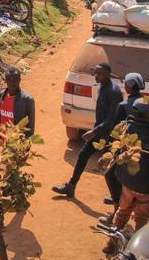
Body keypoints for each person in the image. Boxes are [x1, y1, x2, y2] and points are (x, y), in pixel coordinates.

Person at [103, 98, 149, 255]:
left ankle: (111, 243)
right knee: (141, 219)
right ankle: (136, 253)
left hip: (128, 182)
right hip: (145, 186)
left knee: (122, 212)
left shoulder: (128, 128)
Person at [53, 63, 123, 198]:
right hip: (100, 131)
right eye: (95, 73)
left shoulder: (113, 92)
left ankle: (117, 197)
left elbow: (112, 118)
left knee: (110, 166)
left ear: (108, 74)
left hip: (110, 135)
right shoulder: (102, 87)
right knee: (83, 155)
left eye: (99, 73)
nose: (96, 76)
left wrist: (93, 131)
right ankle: (71, 186)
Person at [102, 73, 147, 213]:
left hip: (127, 148)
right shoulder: (147, 102)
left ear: (129, 87)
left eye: (126, 84)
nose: (124, 86)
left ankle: (117, 205)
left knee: (110, 174)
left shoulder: (123, 105)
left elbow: (116, 131)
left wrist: (112, 150)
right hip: (144, 149)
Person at [0, 68, 35, 137]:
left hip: (16, 143)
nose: (12, 83)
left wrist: (24, 145)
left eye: (15, 80)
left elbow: (30, 126)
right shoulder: (2, 95)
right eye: (9, 80)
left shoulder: (27, 99)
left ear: (19, 80)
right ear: (6, 81)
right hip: (2, 143)